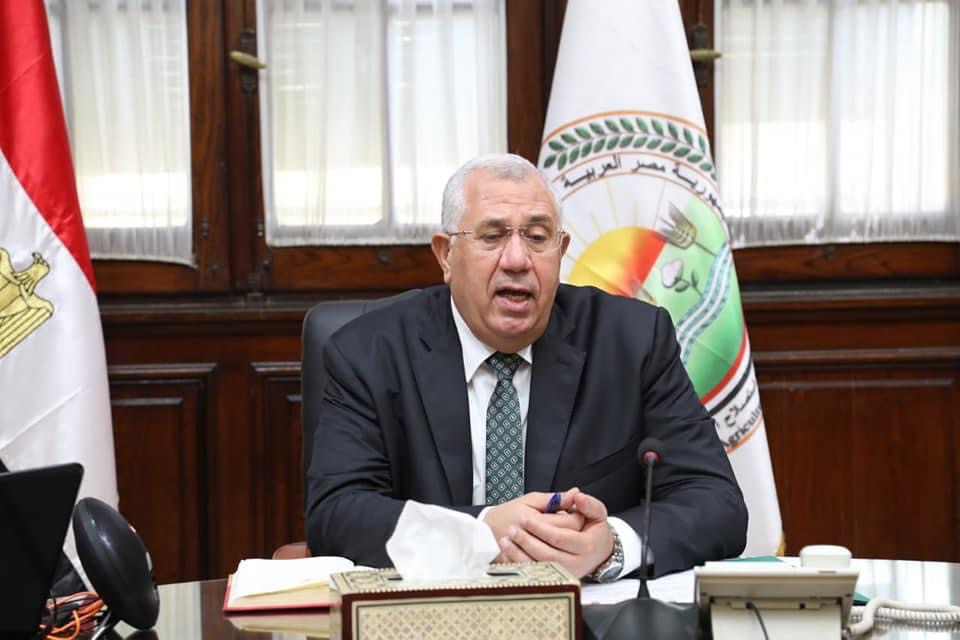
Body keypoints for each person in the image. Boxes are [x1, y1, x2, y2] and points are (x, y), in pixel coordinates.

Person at [305, 153, 747, 581]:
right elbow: (337, 514)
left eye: (537, 237)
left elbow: (716, 502)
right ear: (446, 255)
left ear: (561, 250)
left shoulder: (632, 342)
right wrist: (483, 532)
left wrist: (610, 544)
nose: (517, 260)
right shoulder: (369, 352)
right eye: (492, 236)